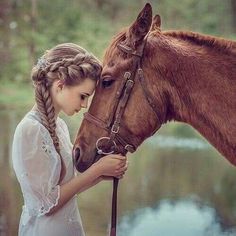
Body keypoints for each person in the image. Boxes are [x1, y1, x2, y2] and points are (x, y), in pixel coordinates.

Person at [12, 43, 128, 236]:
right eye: (83, 96)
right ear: (60, 85)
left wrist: (103, 174)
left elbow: (66, 188)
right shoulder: (30, 130)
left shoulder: (60, 127)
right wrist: (96, 171)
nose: (84, 105)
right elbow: (47, 205)